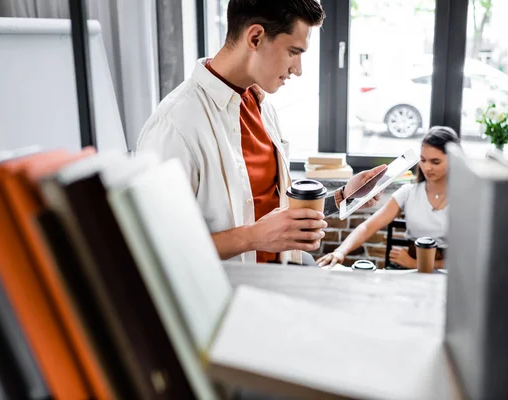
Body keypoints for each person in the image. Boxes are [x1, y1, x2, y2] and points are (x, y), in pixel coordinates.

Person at [137, 0, 383, 265]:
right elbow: (156, 250)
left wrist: (342, 195)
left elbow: (270, 203)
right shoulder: (174, 125)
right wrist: (253, 237)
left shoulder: (260, 103)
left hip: (283, 273)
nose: (298, 69)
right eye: (293, 52)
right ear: (255, 37)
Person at [316, 126, 460, 269]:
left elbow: (467, 258)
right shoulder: (409, 192)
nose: (427, 167)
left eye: (435, 162)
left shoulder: (465, 199)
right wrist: (340, 251)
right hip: (409, 271)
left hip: (447, 274)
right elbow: (367, 227)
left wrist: (415, 263)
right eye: (423, 160)